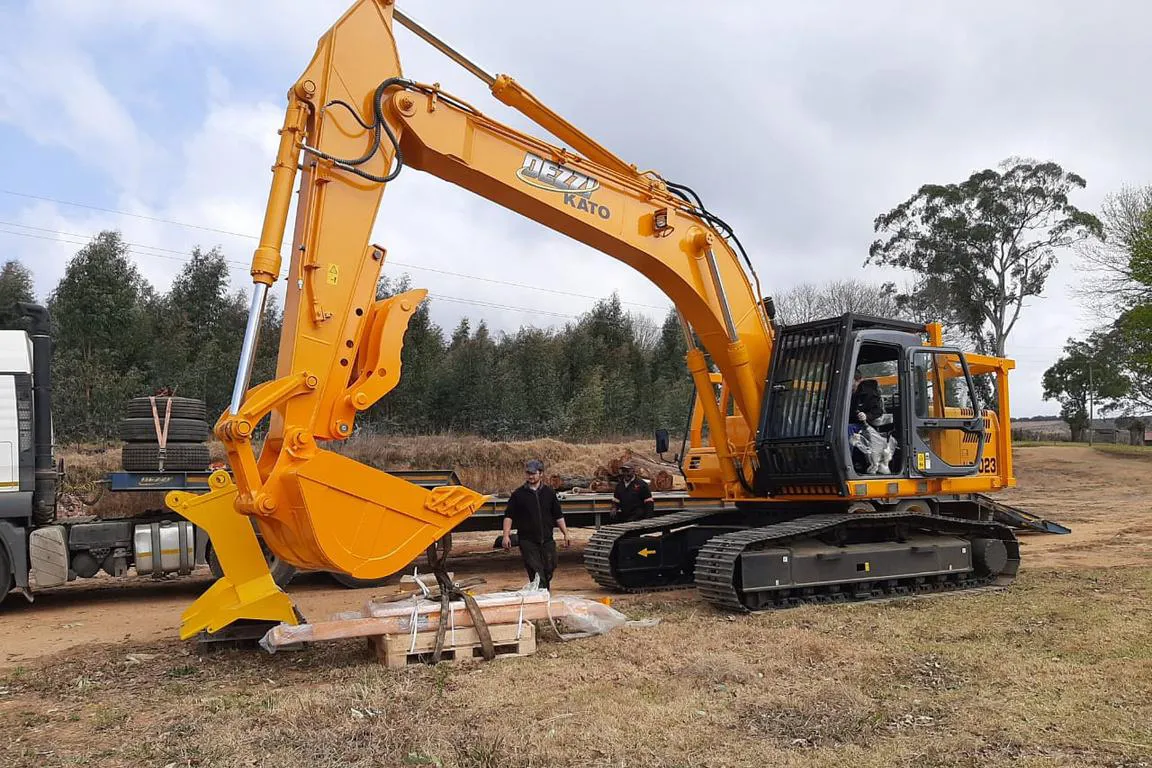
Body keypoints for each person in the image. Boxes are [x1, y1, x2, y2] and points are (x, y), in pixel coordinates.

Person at [501, 459, 570, 590]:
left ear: (541, 474)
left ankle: (542, 593)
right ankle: (542, 597)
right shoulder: (518, 494)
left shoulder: (549, 493)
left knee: (550, 567)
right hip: (528, 541)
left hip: (547, 539)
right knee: (536, 571)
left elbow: (558, 515)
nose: (530, 476)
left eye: (533, 473)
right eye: (528, 473)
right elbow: (508, 516)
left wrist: (565, 533)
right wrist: (506, 536)